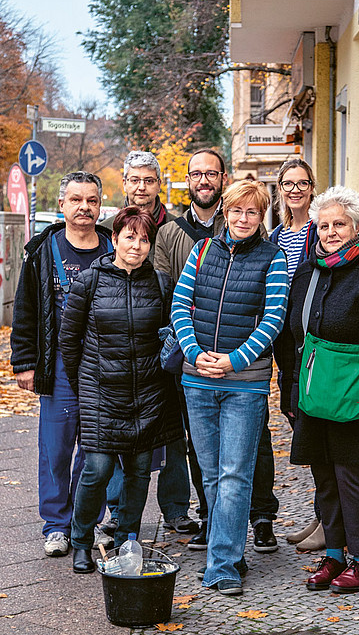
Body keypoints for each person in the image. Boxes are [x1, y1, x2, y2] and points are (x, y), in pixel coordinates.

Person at [275, 186, 359, 594]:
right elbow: (291, 331)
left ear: (356, 227)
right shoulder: (309, 267)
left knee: (351, 475)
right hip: (314, 387)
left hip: (357, 389)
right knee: (323, 475)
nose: (331, 232)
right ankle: (334, 554)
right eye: (324, 225)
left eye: (339, 224)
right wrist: (291, 388)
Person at [156, 149, 281, 554]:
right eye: (238, 211)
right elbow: (180, 304)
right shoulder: (202, 251)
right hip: (197, 379)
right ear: (226, 211)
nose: (244, 218)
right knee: (210, 473)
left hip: (244, 384)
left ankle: (224, 561)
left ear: (262, 216)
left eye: (253, 212)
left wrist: (234, 360)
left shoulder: (271, 257)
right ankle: (222, 546)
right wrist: (192, 353)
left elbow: (273, 319)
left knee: (234, 473)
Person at [59, 206, 183, 573]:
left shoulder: (160, 283)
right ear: (113, 239)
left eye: (144, 239)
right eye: (129, 237)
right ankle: (81, 540)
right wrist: (86, 383)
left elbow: (169, 333)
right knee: (96, 469)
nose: (137, 245)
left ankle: (129, 539)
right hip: (101, 391)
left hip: (147, 392)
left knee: (139, 471)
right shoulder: (89, 282)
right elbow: (70, 341)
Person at [10, 172, 112, 557]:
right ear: (62, 205)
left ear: (100, 205)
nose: (84, 207)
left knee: (97, 452)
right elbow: (26, 310)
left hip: (103, 370)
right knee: (56, 450)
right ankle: (56, 525)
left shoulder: (112, 248)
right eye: (75, 200)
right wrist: (24, 361)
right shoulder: (42, 250)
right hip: (58, 369)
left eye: (91, 200)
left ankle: (87, 521)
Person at [101, 151, 196, 536]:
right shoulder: (109, 226)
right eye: (134, 180)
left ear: (159, 183)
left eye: (149, 180)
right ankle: (120, 511)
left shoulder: (175, 228)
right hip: (120, 346)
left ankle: (175, 509)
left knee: (172, 431)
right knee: (115, 433)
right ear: (125, 183)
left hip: (167, 342)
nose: (141, 188)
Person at [270, 158, 323, 552]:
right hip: (284, 341)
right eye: (288, 184)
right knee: (296, 416)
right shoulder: (274, 237)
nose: (295, 190)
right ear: (280, 189)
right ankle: (324, 514)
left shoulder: (321, 228)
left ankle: (329, 518)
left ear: (312, 186)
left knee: (317, 424)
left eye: (302, 183)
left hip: (314, 338)